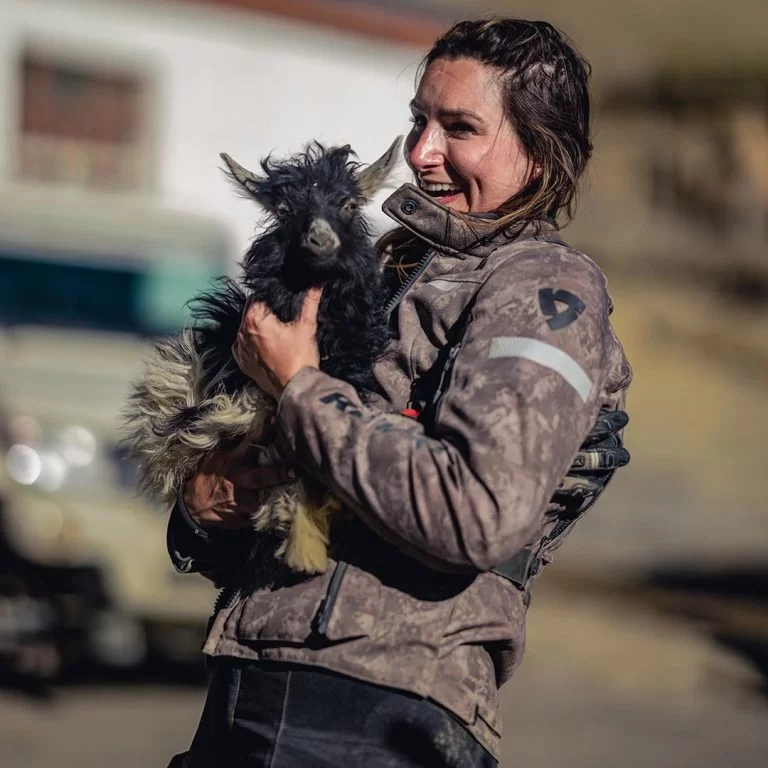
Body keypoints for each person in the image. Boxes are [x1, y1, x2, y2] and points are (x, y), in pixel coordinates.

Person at [167, 17, 632, 768]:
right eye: (419, 120)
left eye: (461, 127)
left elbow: (479, 513)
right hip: (251, 681)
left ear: (539, 156)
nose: (421, 153)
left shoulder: (542, 288)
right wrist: (201, 510)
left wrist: (299, 386)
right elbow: (289, 499)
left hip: (381, 713)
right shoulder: (374, 271)